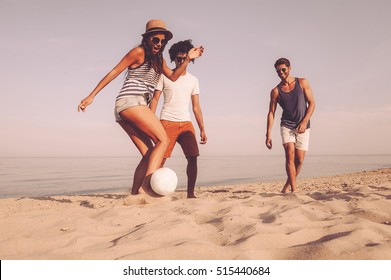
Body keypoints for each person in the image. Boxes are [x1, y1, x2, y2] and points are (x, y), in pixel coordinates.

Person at [77, 20, 204, 197]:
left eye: (162, 41)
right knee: (163, 140)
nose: (159, 44)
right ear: (147, 39)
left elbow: (174, 77)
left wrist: (188, 58)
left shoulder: (159, 59)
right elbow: (115, 72)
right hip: (131, 102)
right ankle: (148, 186)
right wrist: (92, 96)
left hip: (127, 110)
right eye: (155, 40)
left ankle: (135, 194)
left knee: (149, 153)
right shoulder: (138, 52)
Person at [150, 40, 207, 198]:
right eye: (178, 59)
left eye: (184, 58)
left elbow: (196, 106)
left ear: (190, 59)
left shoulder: (193, 80)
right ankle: (153, 190)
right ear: (173, 59)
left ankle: (190, 194)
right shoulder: (164, 76)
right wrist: (151, 121)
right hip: (167, 121)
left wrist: (202, 128)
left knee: (193, 157)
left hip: (186, 123)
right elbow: (155, 100)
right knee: (160, 159)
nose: (181, 61)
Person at [265, 58, 315, 193]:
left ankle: (287, 185)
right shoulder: (275, 91)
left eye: (283, 70)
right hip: (286, 125)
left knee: (299, 160)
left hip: (303, 126)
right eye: (278, 71)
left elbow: (312, 104)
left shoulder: (302, 82)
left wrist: (304, 122)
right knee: (289, 155)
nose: (281, 73)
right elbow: (271, 113)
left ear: (289, 68)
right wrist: (268, 134)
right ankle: (294, 190)